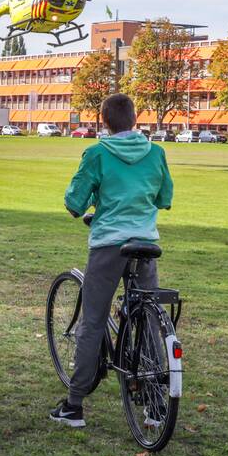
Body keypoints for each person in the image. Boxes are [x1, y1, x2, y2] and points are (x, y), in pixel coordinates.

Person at [50, 93, 173, 428]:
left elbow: (74, 203)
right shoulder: (156, 153)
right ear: (135, 118)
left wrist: (91, 202)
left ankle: (74, 405)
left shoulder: (97, 153)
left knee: (93, 319)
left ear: (103, 120)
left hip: (108, 244)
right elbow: (165, 198)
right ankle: (154, 404)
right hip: (145, 243)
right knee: (148, 320)